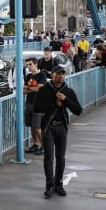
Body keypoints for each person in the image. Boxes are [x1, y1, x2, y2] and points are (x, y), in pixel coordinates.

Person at [33, 66, 82, 199]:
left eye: (62, 74)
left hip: (62, 127)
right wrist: (54, 104)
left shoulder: (68, 91)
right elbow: (36, 108)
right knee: (49, 157)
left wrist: (65, 100)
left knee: (61, 157)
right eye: (57, 74)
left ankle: (58, 183)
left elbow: (78, 110)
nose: (60, 76)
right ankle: (49, 184)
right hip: (48, 127)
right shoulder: (44, 90)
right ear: (52, 75)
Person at [24, 58, 48, 155]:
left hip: (38, 104)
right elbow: (23, 90)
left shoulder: (42, 75)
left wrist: (29, 88)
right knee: (31, 126)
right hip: (29, 103)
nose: (28, 67)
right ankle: (35, 144)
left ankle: (45, 146)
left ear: (36, 64)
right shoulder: (28, 76)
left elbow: (40, 88)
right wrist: (32, 88)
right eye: (27, 65)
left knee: (37, 126)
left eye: (30, 64)